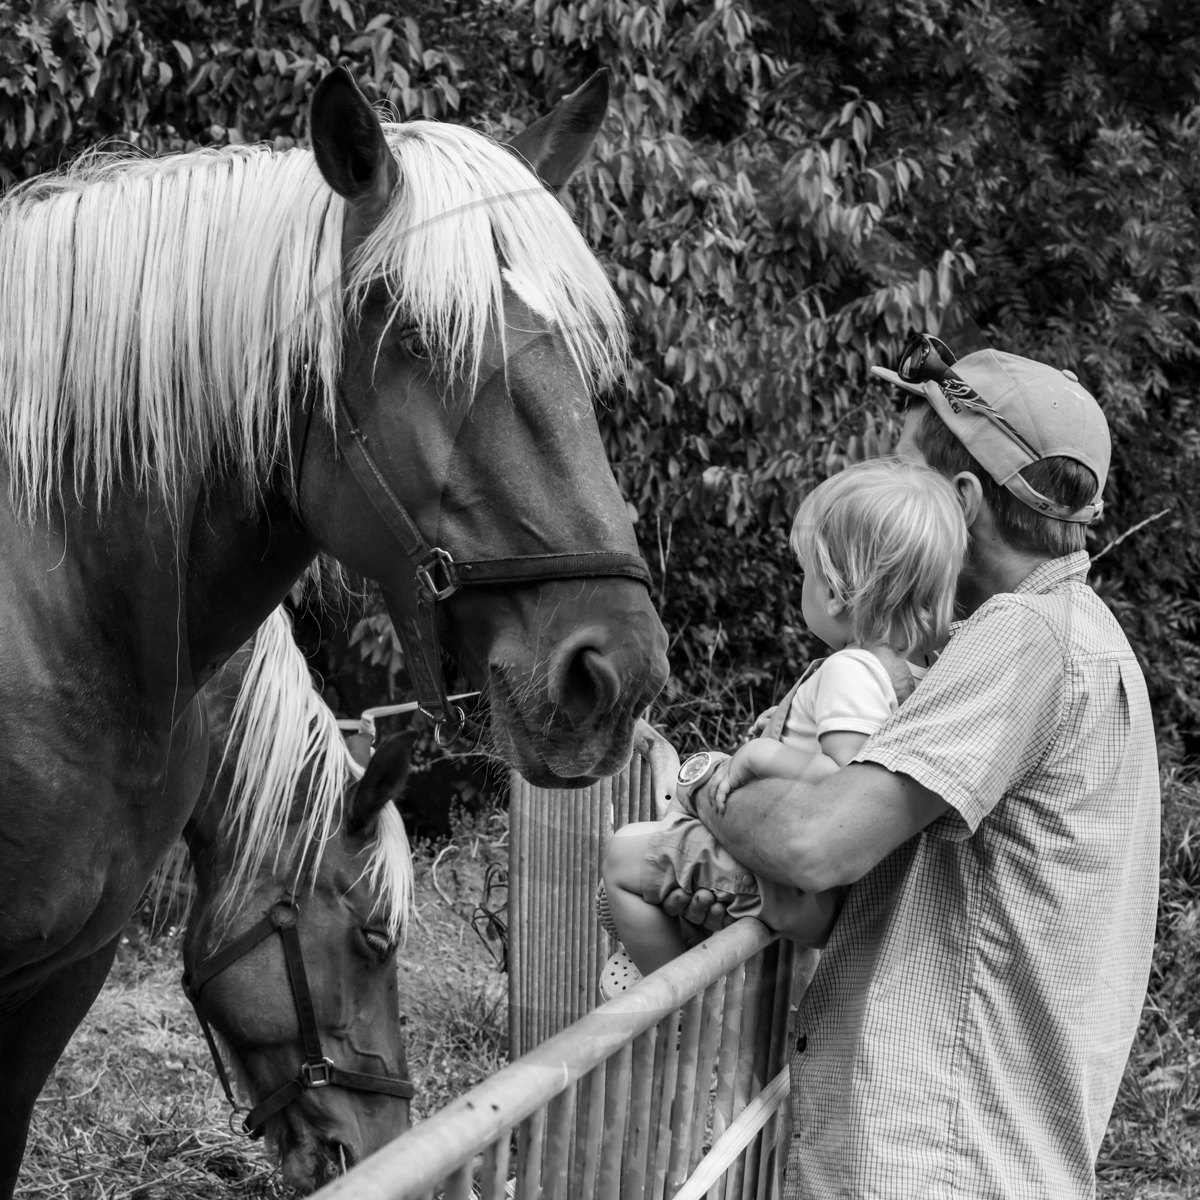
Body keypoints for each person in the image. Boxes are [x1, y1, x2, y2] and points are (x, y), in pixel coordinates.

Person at [664, 337, 1161, 1200]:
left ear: (963, 501)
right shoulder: (1089, 644)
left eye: (905, 476)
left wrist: (707, 782)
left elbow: (817, 844)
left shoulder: (1024, 639)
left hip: (934, 1163)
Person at [599, 457, 967, 992]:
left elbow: (848, 781)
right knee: (654, 853)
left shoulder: (851, 670)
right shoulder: (904, 675)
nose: (803, 587)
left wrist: (762, 757)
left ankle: (683, 1006)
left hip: (792, 888)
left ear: (837, 593)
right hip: (803, 889)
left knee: (623, 857)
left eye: (807, 575)